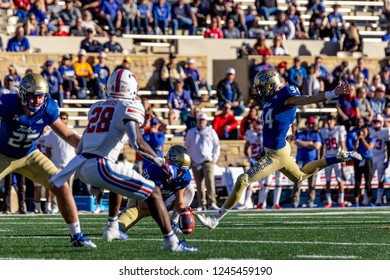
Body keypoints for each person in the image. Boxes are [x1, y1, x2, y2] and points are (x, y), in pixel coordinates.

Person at [50, 69, 197, 252]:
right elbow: (138, 143)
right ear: (132, 89)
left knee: (117, 177)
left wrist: (90, 175)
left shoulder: (97, 106)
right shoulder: (130, 106)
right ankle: (171, 242)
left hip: (82, 162)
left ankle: (113, 228)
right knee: (154, 192)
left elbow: (84, 142)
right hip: (99, 164)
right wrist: (162, 163)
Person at [196, 69, 362, 229]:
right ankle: (339, 157)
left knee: (243, 180)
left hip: (276, 154)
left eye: (261, 86)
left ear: (270, 84)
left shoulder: (286, 94)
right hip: (276, 149)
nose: (259, 90)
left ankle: (215, 218)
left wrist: (332, 93)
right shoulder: (268, 100)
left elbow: (307, 98)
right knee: (300, 176)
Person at [0, 73, 95, 247]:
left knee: (62, 185)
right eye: (33, 96)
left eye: (40, 96)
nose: (37, 101)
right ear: (22, 94)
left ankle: (77, 236)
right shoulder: (6, 103)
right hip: (3, 154)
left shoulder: (48, 109)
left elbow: (67, 134)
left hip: (30, 155)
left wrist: (90, 148)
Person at [118, 145, 196, 235]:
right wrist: (161, 207)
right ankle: (122, 216)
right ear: (169, 162)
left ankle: (173, 222)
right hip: (142, 201)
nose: (180, 174)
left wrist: (184, 212)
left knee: (189, 189)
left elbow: (179, 202)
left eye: (183, 171)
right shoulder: (154, 171)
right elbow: (142, 205)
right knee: (119, 228)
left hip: (164, 200)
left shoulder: (184, 176)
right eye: (178, 170)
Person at [185, 113, 220, 211]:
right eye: (200, 120)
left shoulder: (211, 131)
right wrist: (190, 159)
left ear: (206, 121)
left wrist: (214, 158)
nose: (201, 122)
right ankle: (202, 203)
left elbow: (216, 146)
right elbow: (187, 146)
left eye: (203, 120)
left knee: (210, 183)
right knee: (199, 184)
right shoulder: (191, 132)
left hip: (207, 161)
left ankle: (212, 202)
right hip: (195, 161)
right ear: (197, 121)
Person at [45, 112, 77, 214]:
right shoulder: (52, 133)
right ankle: (55, 206)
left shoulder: (73, 132)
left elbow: (77, 148)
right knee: (56, 187)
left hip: (70, 164)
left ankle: (68, 207)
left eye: (64, 119)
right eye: (61, 118)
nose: (63, 120)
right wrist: (50, 160)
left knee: (69, 188)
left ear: (67, 120)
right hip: (56, 164)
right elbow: (48, 148)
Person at [292, 116, 322, 208]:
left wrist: (305, 144)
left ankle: (310, 201)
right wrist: (310, 144)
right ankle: (295, 201)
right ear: (306, 124)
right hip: (301, 160)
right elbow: (298, 142)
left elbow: (317, 146)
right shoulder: (301, 133)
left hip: (312, 161)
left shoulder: (316, 134)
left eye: (312, 124)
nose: (310, 125)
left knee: (311, 183)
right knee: (297, 182)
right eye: (309, 123)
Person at [319, 115, 347, 208]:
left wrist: (343, 158)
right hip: (327, 157)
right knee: (327, 180)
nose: (329, 121)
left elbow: (342, 145)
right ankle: (329, 201)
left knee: (339, 180)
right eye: (328, 120)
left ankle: (341, 201)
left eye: (331, 120)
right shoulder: (324, 131)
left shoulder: (338, 130)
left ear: (335, 121)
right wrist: (321, 158)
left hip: (337, 157)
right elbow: (322, 146)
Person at [351, 122, 375, 207]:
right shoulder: (358, 139)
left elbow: (368, 148)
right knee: (357, 181)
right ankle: (356, 201)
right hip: (359, 159)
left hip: (367, 160)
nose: (363, 133)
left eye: (364, 131)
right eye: (361, 131)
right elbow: (354, 149)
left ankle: (369, 200)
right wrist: (358, 139)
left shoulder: (371, 139)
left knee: (368, 181)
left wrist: (363, 139)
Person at [369, 114, 390, 206]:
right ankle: (367, 198)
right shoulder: (369, 130)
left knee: (380, 179)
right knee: (368, 178)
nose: (376, 124)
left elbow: (389, 146)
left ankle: (378, 199)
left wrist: (388, 160)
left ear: (381, 122)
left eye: (378, 122)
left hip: (381, 156)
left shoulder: (386, 131)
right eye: (374, 122)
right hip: (371, 157)